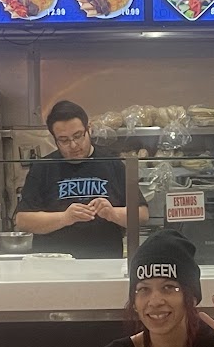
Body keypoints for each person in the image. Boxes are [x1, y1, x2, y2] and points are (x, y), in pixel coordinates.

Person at [15, 100, 147, 257]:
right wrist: (65, 217)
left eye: (78, 136)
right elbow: (22, 220)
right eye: (64, 140)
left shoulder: (112, 163)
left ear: (88, 129)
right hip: (54, 263)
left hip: (104, 261)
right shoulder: (43, 167)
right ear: (54, 139)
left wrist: (112, 213)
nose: (73, 145)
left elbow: (142, 215)